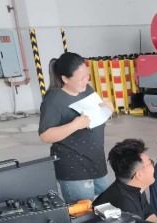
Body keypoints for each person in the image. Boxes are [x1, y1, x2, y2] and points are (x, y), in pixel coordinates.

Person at [39, 52, 114, 203]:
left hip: (96, 161)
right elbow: (45, 135)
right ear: (65, 79)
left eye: (87, 75)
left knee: (107, 204)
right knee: (83, 211)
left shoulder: (86, 89)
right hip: (74, 167)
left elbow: (98, 114)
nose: (86, 80)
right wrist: (74, 125)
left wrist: (108, 108)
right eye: (81, 78)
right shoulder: (53, 100)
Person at [93, 139, 157, 223]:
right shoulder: (125, 206)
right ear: (139, 174)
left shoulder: (135, 187)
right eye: (151, 162)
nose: (154, 166)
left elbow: (147, 213)